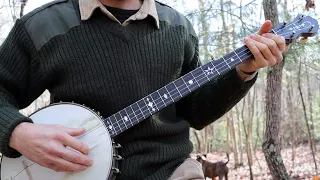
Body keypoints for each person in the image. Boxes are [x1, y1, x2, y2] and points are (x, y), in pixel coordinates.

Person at [0, 0, 286, 179]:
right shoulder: (43, 26)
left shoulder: (179, 28)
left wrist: (243, 72)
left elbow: (196, 111)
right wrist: (16, 132)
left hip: (171, 172)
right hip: (72, 173)